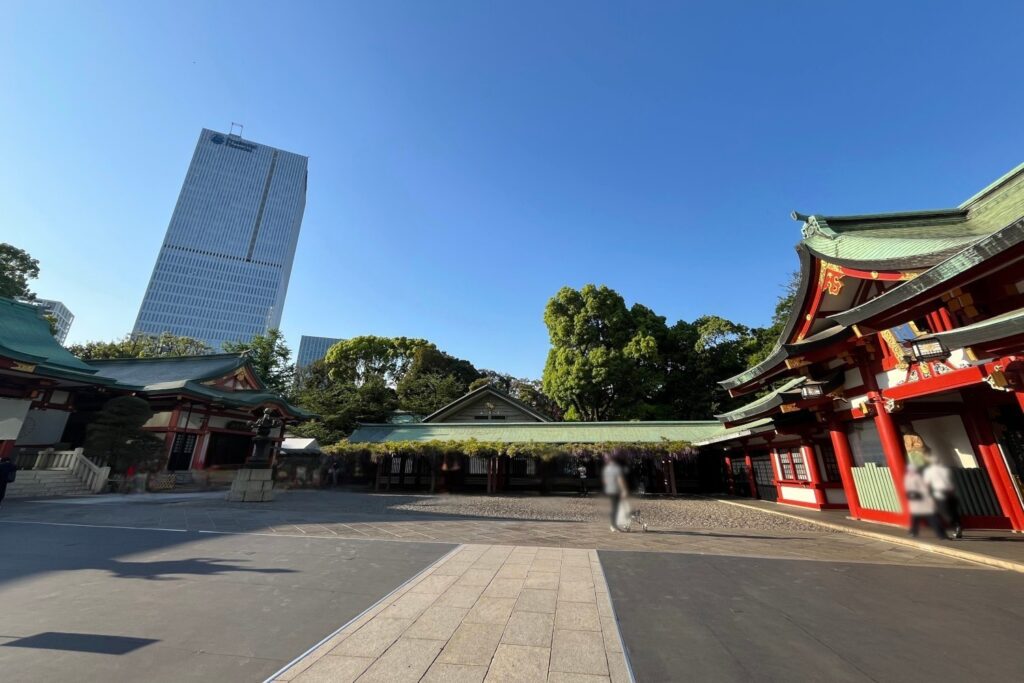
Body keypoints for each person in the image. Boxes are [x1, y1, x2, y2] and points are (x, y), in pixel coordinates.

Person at [924, 453, 962, 539]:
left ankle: (954, 527)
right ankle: (958, 526)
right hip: (951, 492)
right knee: (954, 511)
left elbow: (927, 484)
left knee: (945, 513)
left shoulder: (929, 471)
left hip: (940, 494)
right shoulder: (945, 470)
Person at [905, 462, 946, 539]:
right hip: (922, 501)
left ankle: (913, 532)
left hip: (918, 501)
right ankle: (941, 534)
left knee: (917, 518)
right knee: (931, 518)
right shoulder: (916, 477)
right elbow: (924, 489)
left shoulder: (910, 478)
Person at [602, 455, 628, 532]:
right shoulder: (617, 469)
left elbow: (605, 481)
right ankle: (613, 525)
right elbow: (620, 480)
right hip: (615, 490)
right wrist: (624, 490)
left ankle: (613, 525)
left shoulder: (606, 469)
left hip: (609, 490)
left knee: (613, 507)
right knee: (615, 508)